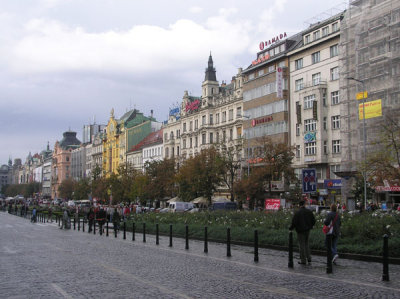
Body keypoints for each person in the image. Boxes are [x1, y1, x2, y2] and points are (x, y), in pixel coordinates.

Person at [289, 200, 316, 265]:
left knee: (301, 245)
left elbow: (294, 222)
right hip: (307, 230)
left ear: (299, 205)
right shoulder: (309, 212)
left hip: (300, 231)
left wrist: (290, 229)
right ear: (304, 204)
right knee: (306, 244)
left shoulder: (298, 213)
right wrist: (311, 226)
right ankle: (309, 258)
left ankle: (303, 260)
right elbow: (313, 220)